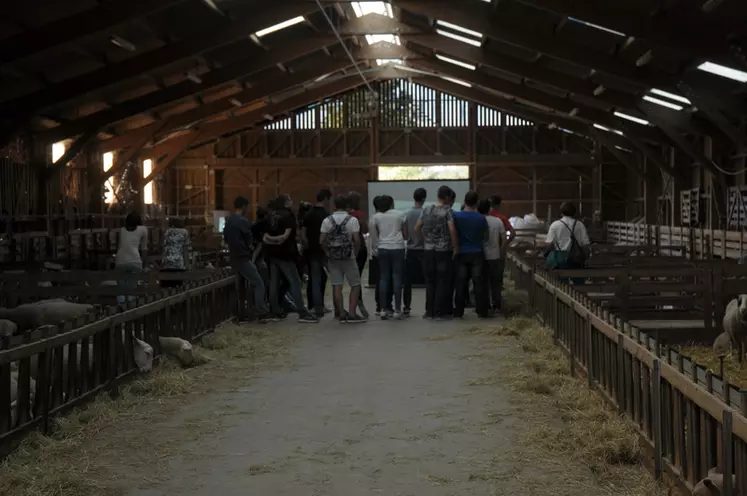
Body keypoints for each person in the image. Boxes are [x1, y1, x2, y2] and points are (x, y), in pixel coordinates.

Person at [264, 194, 318, 323]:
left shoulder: (270, 216)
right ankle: (302, 312)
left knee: (274, 283)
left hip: (272, 254)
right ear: (285, 203)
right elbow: (286, 237)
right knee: (295, 282)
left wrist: (272, 241)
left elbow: (265, 237)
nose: (292, 202)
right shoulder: (288, 216)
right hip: (286, 254)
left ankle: (274, 311)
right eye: (289, 200)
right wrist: (279, 240)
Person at [223, 196, 271, 323]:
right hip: (243, 257)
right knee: (259, 283)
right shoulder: (243, 221)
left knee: (240, 287)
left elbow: (226, 238)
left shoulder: (228, 220)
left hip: (233, 257)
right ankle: (261, 311)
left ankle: (241, 314)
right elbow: (249, 240)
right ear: (244, 206)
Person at [415, 185, 459, 320]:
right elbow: (452, 229)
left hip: (428, 249)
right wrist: (456, 246)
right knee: (441, 280)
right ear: (446, 197)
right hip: (443, 250)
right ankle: (439, 311)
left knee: (430, 281)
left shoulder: (427, 209)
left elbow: (417, 227)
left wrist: (424, 240)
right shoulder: (448, 211)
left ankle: (429, 312)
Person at [320, 195, 365, 324]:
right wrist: (355, 253)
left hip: (333, 257)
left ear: (334, 205)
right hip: (348, 256)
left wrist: (327, 252)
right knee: (355, 284)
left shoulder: (327, 220)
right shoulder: (352, 220)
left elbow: (321, 240)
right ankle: (352, 312)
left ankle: (341, 314)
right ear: (347, 206)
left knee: (337, 285)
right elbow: (357, 240)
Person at [369, 195, 407, 320]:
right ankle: (397, 310)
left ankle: (383, 309)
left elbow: (374, 237)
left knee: (384, 278)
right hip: (397, 247)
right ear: (391, 204)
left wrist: (376, 249)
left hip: (383, 248)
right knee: (397, 277)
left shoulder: (376, 217)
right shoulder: (400, 215)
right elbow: (405, 234)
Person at [453, 191, 490, 319]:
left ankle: (458, 311)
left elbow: (453, 233)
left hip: (462, 253)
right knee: (478, 283)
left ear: (465, 200)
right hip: (477, 253)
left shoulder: (456, 216)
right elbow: (486, 237)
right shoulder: (481, 218)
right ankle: (481, 311)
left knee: (461, 283)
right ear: (476, 203)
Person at [301, 189, 332, 318]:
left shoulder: (308, 214)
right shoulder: (326, 215)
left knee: (316, 278)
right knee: (320, 278)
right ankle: (318, 307)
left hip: (311, 250)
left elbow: (303, 233)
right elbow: (328, 234)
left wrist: (306, 244)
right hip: (322, 249)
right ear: (325, 199)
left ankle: (313, 305)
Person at [544, 202, 590, 285]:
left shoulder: (555, 225)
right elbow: (586, 245)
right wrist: (585, 259)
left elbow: (548, 244)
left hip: (560, 260)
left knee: (561, 284)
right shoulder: (580, 225)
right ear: (574, 212)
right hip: (576, 259)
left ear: (561, 212)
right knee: (578, 284)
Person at [478, 199, 506, 313]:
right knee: (496, 282)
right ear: (490, 209)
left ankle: (484, 305)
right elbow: (504, 238)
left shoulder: (478, 220)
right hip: (495, 255)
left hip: (480, 256)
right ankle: (497, 304)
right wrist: (501, 251)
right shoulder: (498, 221)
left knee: (482, 282)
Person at [115, 212, 148, 305]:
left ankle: (120, 309)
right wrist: (145, 264)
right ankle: (131, 308)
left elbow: (119, 246)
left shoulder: (121, 230)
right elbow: (144, 248)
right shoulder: (143, 229)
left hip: (120, 261)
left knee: (121, 289)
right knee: (132, 287)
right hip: (135, 261)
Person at [403, 188, 426, 317]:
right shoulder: (425, 213)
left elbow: (405, 234)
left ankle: (406, 307)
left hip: (411, 249)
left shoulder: (407, 213)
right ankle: (429, 307)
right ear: (423, 199)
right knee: (428, 279)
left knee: (408, 281)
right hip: (423, 249)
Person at [347, 191, 369, 319]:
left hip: (349, 248)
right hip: (360, 248)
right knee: (358, 276)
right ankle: (358, 301)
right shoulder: (360, 215)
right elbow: (365, 230)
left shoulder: (347, 215)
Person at [160, 217, 191, 289]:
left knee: (166, 287)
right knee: (178, 287)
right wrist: (187, 266)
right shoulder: (185, 232)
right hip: (178, 263)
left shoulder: (166, 231)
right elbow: (185, 250)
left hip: (166, 263)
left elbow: (162, 248)